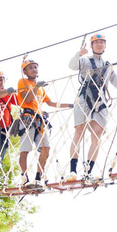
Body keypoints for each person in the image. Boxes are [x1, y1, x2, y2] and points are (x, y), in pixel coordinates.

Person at [67, 34, 117, 181]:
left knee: (97, 135)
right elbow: (72, 66)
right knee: (79, 131)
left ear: (105, 45)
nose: (99, 45)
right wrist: (78, 54)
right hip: (84, 98)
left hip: (99, 102)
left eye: (102, 42)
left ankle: (88, 170)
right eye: (96, 42)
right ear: (92, 45)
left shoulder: (107, 66)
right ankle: (73, 170)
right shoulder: (85, 60)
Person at [17, 58, 73, 188]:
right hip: (27, 118)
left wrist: (70, 105)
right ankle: (25, 177)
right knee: (25, 150)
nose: (33, 69)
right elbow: (27, 98)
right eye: (30, 68)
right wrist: (36, 87)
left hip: (39, 120)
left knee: (46, 148)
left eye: (35, 67)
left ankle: (38, 177)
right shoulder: (23, 82)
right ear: (24, 71)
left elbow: (50, 103)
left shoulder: (40, 88)